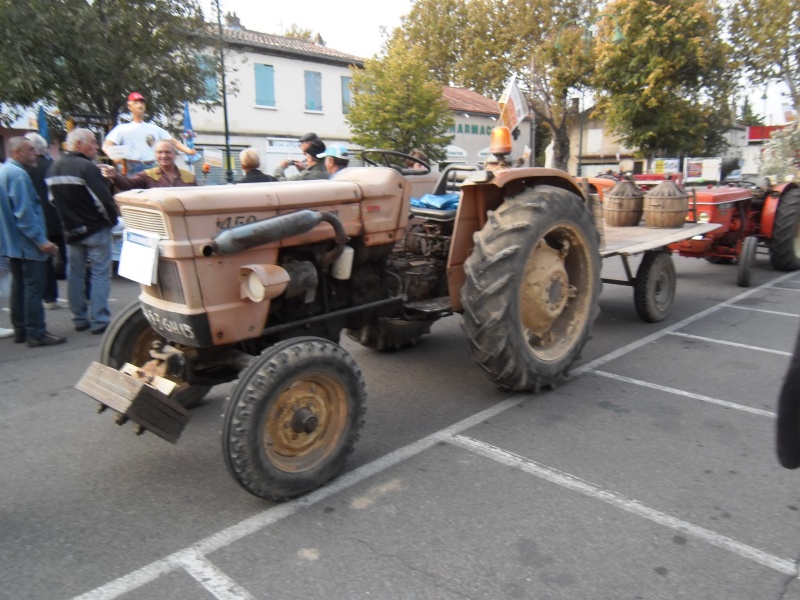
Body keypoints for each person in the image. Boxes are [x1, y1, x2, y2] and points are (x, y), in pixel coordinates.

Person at [46, 128, 118, 335]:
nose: (96, 147)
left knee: (74, 274)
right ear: (79, 144)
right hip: (95, 228)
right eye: (93, 143)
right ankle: (99, 319)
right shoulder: (87, 167)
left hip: (70, 231)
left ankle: (79, 317)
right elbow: (103, 200)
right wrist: (112, 221)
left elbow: (53, 201)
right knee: (100, 274)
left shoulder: (53, 168)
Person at [0, 137, 65, 347]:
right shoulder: (18, 175)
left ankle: (21, 329)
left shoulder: (4, 172)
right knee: (33, 288)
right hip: (26, 244)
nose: (34, 153)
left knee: (19, 286)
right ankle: (36, 332)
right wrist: (41, 241)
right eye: (29, 150)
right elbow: (25, 214)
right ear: (17, 152)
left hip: (12, 244)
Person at [103, 92, 196, 174]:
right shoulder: (122, 128)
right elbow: (106, 146)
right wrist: (114, 156)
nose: (140, 105)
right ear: (129, 106)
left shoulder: (154, 129)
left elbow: (174, 142)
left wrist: (189, 151)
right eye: (136, 103)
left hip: (152, 166)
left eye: (141, 102)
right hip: (132, 166)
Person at [24, 132, 65, 309]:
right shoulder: (54, 166)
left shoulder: (23, 170)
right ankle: (82, 296)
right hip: (58, 218)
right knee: (68, 257)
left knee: (45, 261)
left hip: (39, 221)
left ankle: (50, 298)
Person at [99, 139, 197, 190]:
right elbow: (128, 184)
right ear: (155, 155)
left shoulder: (189, 177)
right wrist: (115, 176)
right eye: (160, 152)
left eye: (168, 152)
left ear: (175, 155)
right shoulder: (147, 175)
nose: (163, 155)